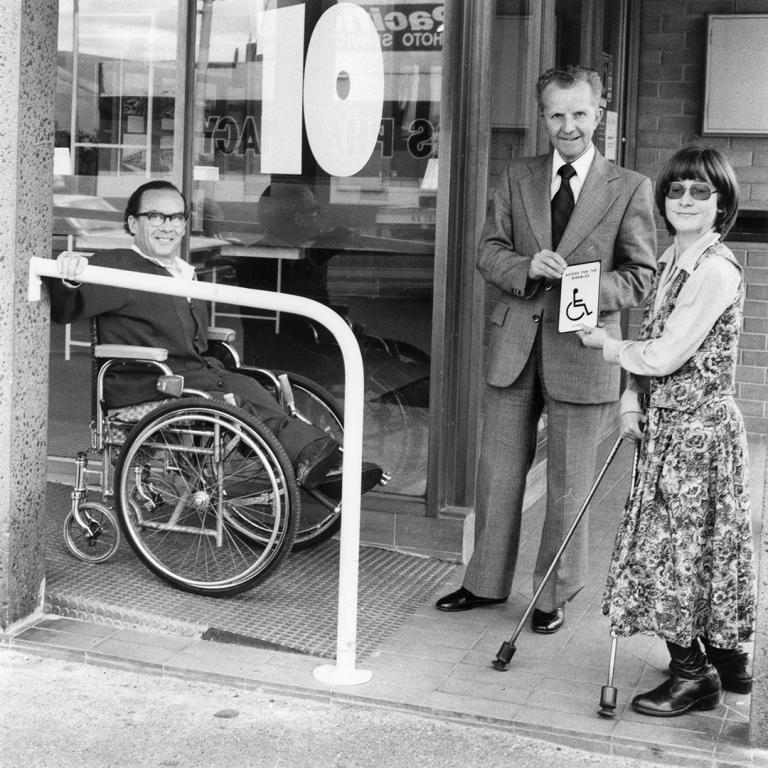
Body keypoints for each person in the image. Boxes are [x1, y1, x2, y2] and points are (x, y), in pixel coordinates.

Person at [435, 66, 657, 635]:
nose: (568, 126)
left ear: (598, 114)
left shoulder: (629, 186)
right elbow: (488, 251)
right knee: (498, 473)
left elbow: (642, 277)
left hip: (582, 353)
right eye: (556, 114)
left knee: (569, 483)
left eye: (579, 113)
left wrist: (589, 286)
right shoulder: (516, 176)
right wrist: (525, 268)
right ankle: (483, 583)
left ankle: (553, 594)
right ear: (542, 117)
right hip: (515, 346)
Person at [48, 180, 383, 499]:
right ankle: (314, 459)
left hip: (196, 372)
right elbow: (65, 308)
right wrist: (69, 272)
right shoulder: (116, 267)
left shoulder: (182, 271)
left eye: (177, 217)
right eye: (156, 217)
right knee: (240, 400)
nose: (168, 225)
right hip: (151, 382)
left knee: (259, 389)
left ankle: (325, 461)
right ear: (133, 224)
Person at [577, 146, 755, 715]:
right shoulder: (676, 260)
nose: (685, 200)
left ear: (721, 203)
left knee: (676, 552)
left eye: (700, 191)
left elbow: (667, 352)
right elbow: (653, 340)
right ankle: (723, 661)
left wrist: (608, 348)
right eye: (676, 190)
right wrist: (630, 400)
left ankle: (694, 673)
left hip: (698, 437)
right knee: (691, 550)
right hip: (670, 429)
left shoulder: (714, 269)